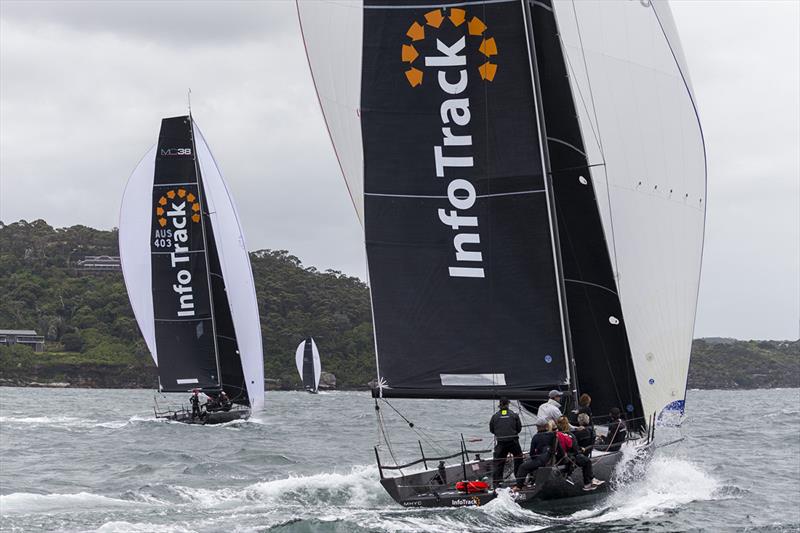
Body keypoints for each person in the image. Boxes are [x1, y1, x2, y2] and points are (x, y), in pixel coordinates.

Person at [556, 416, 602, 491]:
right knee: (587, 461)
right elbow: (575, 450)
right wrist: (581, 449)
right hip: (569, 457)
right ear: (567, 424)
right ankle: (588, 483)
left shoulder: (555, 434)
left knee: (582, 458)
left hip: (559, 456)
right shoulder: (570, 435)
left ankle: (592, 479)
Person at [489, 397, 523, 487]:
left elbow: (492, 430)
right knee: (518, 459)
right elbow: (519, 429)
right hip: (513, 441)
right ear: (508, 404)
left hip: (501, 442)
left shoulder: (495, 416)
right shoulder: (514, 415)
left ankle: (496, 483)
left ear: (500, 405)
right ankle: (519, 480)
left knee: (498, 462)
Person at [513, 417, 554, 490]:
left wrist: (532, 458)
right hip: (549, 459)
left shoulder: (536, 437)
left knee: (523, 466)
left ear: (537, 427)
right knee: (530, 462)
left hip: (541, 461)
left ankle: (519, 486)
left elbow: (532, 453)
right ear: (546, 426)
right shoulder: (553, 435)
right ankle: (532, 480)